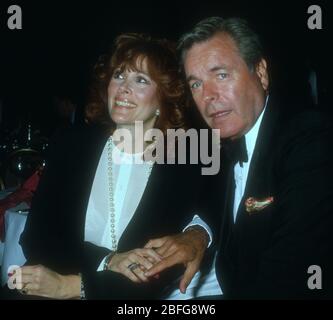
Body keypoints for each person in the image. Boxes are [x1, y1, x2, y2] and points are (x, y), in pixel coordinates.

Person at [7, 33, 219, 299]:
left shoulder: (185, 160)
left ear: (164, 97)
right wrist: (109, 260)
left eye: (140, 80)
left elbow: (155, 271)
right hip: (45, 288)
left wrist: (75, 286)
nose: (123, 88)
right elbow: (36, 238)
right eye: (119, 75)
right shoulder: (72, 144)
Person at [145, 17, 333, 299]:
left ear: (261, 72)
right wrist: (199, 233)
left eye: (221, 75)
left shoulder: (311, 142)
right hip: (226, 274)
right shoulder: (220, 142)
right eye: (195, 84)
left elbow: (285, 277)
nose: (208, 96)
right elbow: (211, 201)